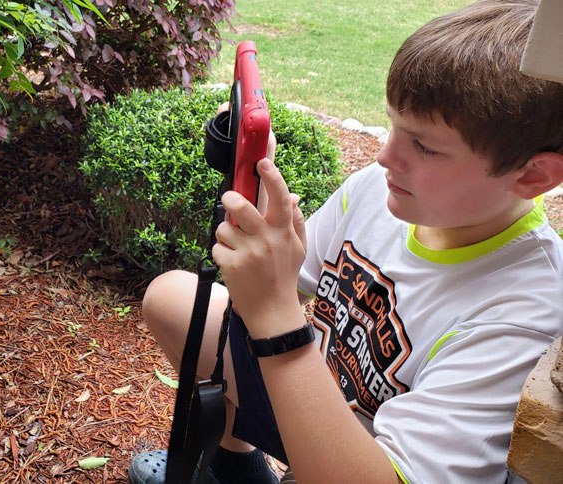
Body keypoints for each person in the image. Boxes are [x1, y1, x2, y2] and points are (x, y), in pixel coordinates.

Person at [127, 0, 563, 483]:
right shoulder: (381, 192)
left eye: (424, 146)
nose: (384, 156)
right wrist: (258, 202)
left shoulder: (525, 310)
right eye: (393, 125)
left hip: (364, 463)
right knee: (173, 299)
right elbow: (283, 281)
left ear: (533, 175)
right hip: (310, 397)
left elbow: (275, 316)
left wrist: (278, 321)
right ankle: (238, 468)